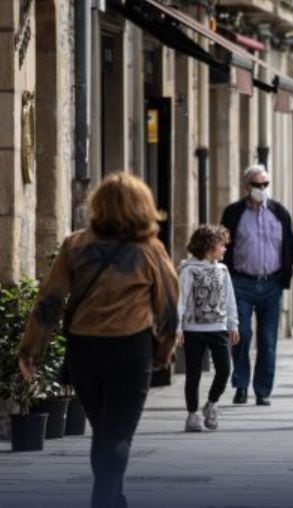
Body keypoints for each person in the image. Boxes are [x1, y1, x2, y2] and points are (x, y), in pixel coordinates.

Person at [18, 172, 179, 508]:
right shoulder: (150, 250)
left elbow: (49, 300)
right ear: (142, 207)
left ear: (99, 205)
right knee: (117, 433)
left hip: (84, 350)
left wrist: (31, 348)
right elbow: (168, 306)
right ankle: (103, 500)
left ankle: (111, 498)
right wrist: (164, 351)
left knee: (103, 429)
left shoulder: (76, 244)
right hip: (130, 349)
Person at [221, 164, 293, 406]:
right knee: (242, 335)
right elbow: (221, 246)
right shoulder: (234, 213)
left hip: (272, 284)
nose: (261, 189)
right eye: (257, 185)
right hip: (240, 282)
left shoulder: (279, 212)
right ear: (246, 186)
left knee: (268, 340)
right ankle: (240, 386)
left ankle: (263, 390)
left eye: (265, 184)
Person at [177, 225, 240, 432]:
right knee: (192, 374)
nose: (224, 249)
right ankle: (192, 414)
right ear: (209, 246)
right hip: (192, 330)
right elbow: (181, 300)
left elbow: (230, 299)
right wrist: (177, 327)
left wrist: (233, 323)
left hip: (218, 328)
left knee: (224, 370)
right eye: (221, 245)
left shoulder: (223, 270)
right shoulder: (188, 270)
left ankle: (211, 404)